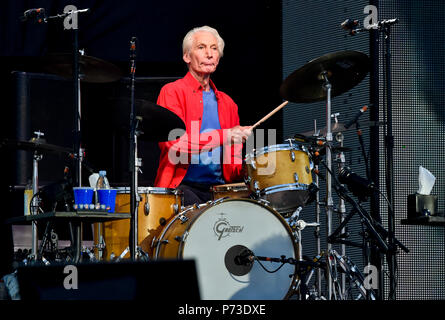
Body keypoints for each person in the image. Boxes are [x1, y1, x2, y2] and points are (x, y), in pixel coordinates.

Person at [154, 26, 252, 206]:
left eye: (214, 49)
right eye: (201, 47)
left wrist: (254, 166)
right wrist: (226, 136)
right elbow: (177, 145)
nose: (209, 54)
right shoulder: (171, 92)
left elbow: (233, 163)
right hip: (182, 188)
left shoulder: (229, 104)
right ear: (187, 56)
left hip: (221, 191)